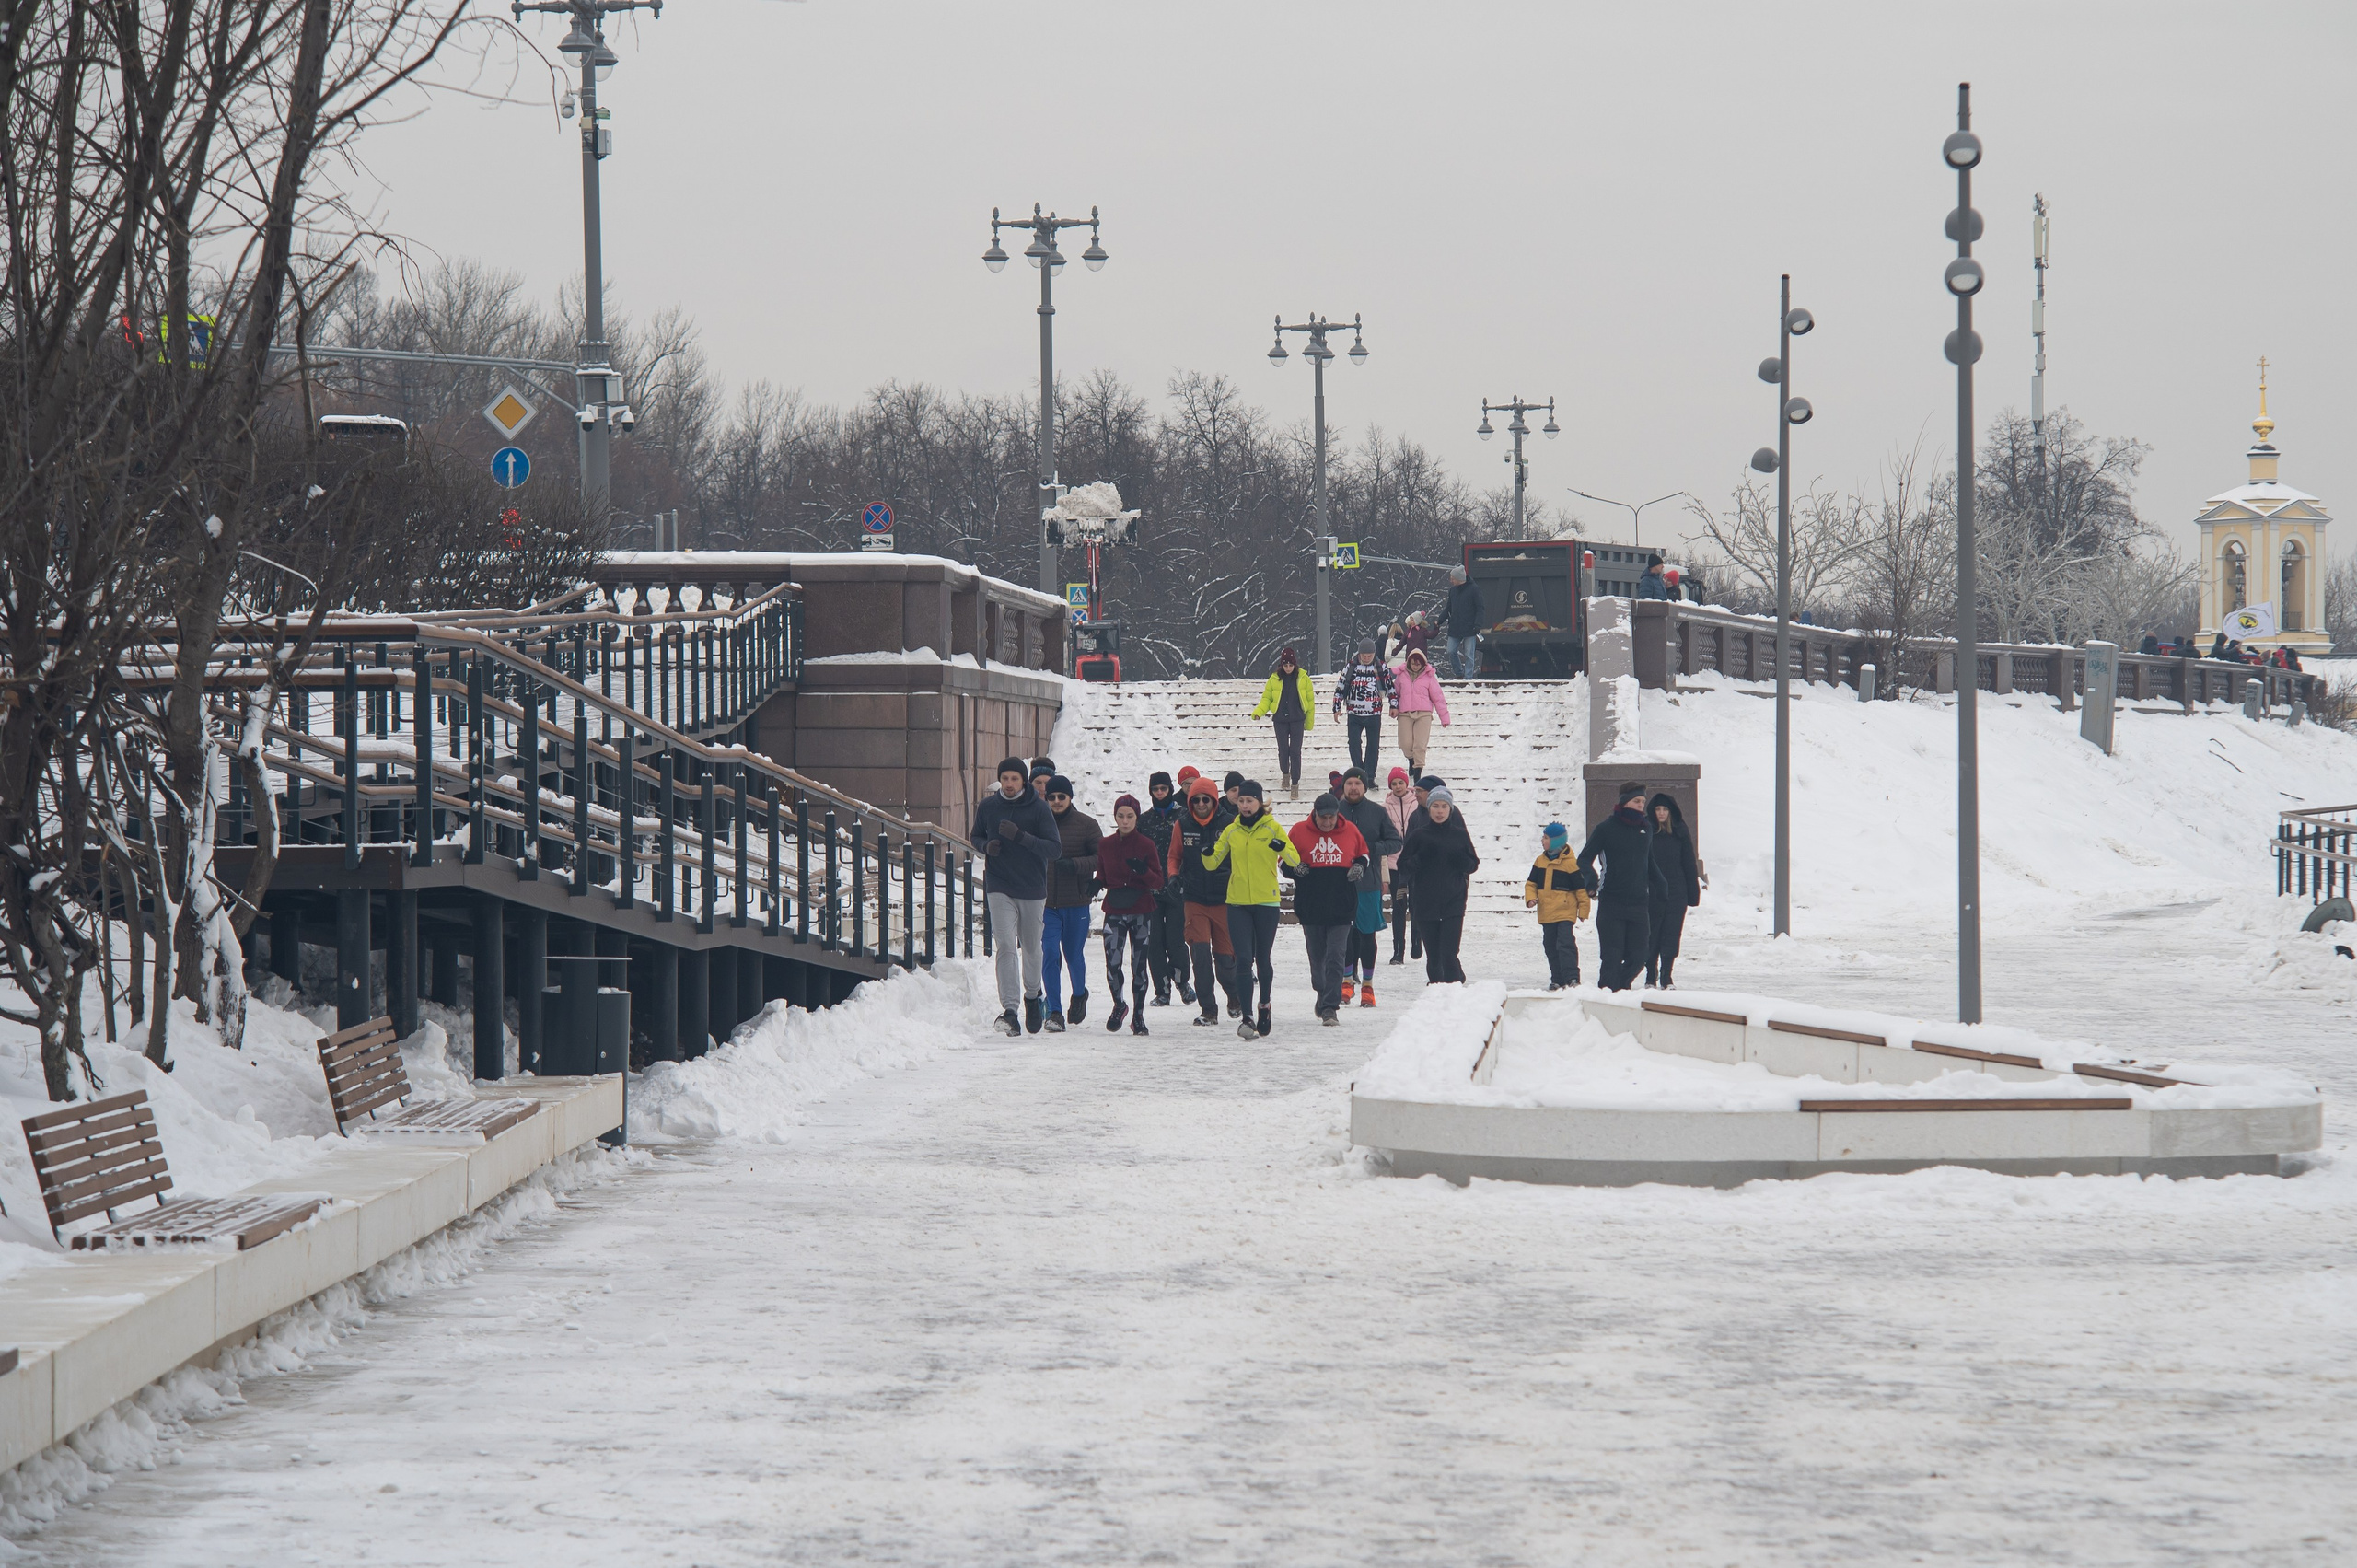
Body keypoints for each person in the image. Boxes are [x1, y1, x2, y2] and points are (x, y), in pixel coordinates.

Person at [970, 756, 1062, 1035]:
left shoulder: (1039, 809)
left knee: (1032, 948)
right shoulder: (988, 807)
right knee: (1006, 946)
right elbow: (975, 837)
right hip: (999, 885)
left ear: (1024, 781)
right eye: (1005, 778)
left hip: (1032, 887)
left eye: (1014, 779)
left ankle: (1032, 997)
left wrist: (1020, 836)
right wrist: (987, 846)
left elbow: (1054, 849)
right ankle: (1010, 1010)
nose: (1009, 784)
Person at [1202, 779, 1300, 1039]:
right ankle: (1247, 1017)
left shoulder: (1272, 828)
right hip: (1237, 903)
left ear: (1259, 803)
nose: (1245, 805)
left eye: (1250, 801)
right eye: (1242, 801)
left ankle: (1264, 1005)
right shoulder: (1232, 830)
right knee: (1243, 960)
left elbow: (1295, 859)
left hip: (1266, 902)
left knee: (1263, 959)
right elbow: (1213, 864)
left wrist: (1282, 848)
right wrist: (1205, 853)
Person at [1577, 781, 1674, 992]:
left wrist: (1662, 884)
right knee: (1612, 957)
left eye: (1643, 801)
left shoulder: (1645, 828)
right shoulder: (1605, 829)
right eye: (1637, 801)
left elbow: (1648, 862)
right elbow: (1584, 859)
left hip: (1639, 904)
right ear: (1625, 802)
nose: (1641, 805)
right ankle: (1608, 995)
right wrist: (1591, 882)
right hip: (1612, 902)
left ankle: (1617, 990)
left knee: (1640, 956)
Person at [1286, 793, 1372, 1025]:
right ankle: (1321, 992)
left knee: (1336, 956)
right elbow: (1284, 861)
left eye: (1331, 818)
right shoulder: (1298, 831)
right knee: (1317, 958)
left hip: (1341, 906)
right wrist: (1296, 869)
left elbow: (1364, 854)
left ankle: (1330, 1008)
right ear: (1314, 814)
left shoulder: (1351, 830)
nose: (1327, 823)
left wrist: (1359, 867)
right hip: (1311, 906)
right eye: (1322, 818)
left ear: (1337, 815)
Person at [1169, 773, 1242, 1025]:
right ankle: (1208, 1009)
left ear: (1214, 800)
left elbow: (1241, 856)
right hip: (1195, 899)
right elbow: (1174, 856)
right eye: (1196, 800)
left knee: (1225, 961)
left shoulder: (1231, 823)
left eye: (1206, 800)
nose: (1201, 804)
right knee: (1200, 958)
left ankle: (1234, 996)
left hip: (1224, 899)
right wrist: (1173, 876)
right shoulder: (1182, 824)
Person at [1095, 795, 1165, 1035]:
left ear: (1136, 817)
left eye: (1130, 816)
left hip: (1141, 908)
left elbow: (1158, 881)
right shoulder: (1105, 844)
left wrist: (1144, 872)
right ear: (1115, 817)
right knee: (1112, 963)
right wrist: (1095, 884)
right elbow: (1103, 875)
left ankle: (1138, 1015)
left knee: (1139, 965)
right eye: (1121, 816)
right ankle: (1119, 1004)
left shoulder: (1146, 845)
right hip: (1114, 908)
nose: (1125, 821)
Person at [1394, 785, 1479, 983]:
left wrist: (1461, 862)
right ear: (1429, 808)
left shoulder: (1459, 835)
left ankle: (1453, 994)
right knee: (1433, 958)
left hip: (1454, 901)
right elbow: (1402, 865)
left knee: (1449, 954)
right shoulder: (1419, 835)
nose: (1439, 811)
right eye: (1435, 806)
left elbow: (1473, 863)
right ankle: (1436, 992)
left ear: (1450, 810)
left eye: (1444, 807)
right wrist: (1418, 860)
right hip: (1425, 902)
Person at [1334, 769, 1403, 1006]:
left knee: (1366, 935)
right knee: (1343, 934)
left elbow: (1396, 841)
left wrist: (1371, 848)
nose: (1353, 788)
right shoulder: (1333, 811)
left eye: (1358, 784)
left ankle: (1367, 985)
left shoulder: (1377, 812)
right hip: (1338, 883)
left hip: (1368, 882)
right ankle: (1346, 982)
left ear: (1364, 787)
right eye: (1349, 783)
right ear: (1343, 786)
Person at [1040, 776, 1103, 1031]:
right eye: (1052, 797)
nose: (1056, 802)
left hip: (1076, 901)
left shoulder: (1086, 825)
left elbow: (1101, 858)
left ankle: (1079, 994)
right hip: (1045, 904)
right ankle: (1055, 1011)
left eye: (1061, 797)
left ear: (1070, 798)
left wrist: (1075, 865)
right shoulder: (1038, 824)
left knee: (1073, 955)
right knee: (1050, 954)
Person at [1138, 772, 1192, 1006]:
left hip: (1176, 887)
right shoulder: (1144, 820)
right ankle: (1162, 989)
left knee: (1176, 938)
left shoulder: (1183, 816)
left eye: (1163, 788)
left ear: (1170, 789)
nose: (1159, 793)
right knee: (1154, 942)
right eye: (1155, 789)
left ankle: (1182, 981)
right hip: (1150, 890)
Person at [1523, 822, 1592, 989]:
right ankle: (1557, 978)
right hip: (1547, 913)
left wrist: (1583, 910)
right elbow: (1531, 884)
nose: (1542, 841)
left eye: (1546, 838)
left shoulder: (1570, 864)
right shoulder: (1540, 861)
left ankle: (1572, 977)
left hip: (1564, 912)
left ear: (1555, 841)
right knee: (1550, 945)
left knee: (1565, 943)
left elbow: (1581, 890)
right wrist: (1531, 898)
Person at [1643, 793, 1701, 988]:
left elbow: (1688, 864)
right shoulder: (1645, 832)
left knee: (1671, 933)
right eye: (1658, 809)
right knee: (1651, 935)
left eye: (1665, 810)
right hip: (1651, 891)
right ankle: (1650, 975)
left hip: (1676, 891)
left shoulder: (1680, 832)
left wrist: (1693, 894)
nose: (1661, 813)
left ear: (1671, 812)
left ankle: (1666, 976)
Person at [1248, 649, 1317, 800]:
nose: (1288, 668)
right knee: (1283, 750)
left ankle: (1295, 783)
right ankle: (1285, 773)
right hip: (1280, 719)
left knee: (1295, 751)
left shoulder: (1303, 678)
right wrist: (1259, 712)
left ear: (1295, 664)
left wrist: (1309, 722)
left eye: (1290, 665)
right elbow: (1267, 698)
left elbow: (1310, 702)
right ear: (1281, 665)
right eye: (1285, 665)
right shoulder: (1274, 679)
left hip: (1297, 718)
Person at [1333, 639, 1395, 778]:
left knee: (1373, 746)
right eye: (1364, 656)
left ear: (1374, 654)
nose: (1367, 659)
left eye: (1369, 656)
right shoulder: (1351, 667)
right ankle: (1359, 770)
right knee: (1354, 743)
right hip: (1354, 713)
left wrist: (1394, 705)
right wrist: (1336, 707)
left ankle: (1370, 774)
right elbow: (1341, 686)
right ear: (1359, 654)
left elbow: (1390, 686)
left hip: (1374, 713)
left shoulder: (1381, 667)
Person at [1391, 647, 1450, 777]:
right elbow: (1394, 694)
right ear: (1409, 663)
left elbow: (1438, 698)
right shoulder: (1401, 676)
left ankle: (1418, 771)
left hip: (1424, 714)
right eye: (1413, 663)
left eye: (1418, 664)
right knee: (1405, 743)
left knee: (1420, 744)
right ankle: (1411, 759)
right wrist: (1393, 707)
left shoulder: (1429, 677)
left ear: (1423, 664)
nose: (1415, 666)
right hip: (1405, 713)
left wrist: (1444, 717)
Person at [1383, 767, 1421, 965]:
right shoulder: (1385, 807)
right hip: (1395, 863)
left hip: (1415, 864)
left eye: (1401, 782)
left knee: (1416, 905)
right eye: (1394, 783)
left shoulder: (1417, 804)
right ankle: (1398, 950)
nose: (1398, 786)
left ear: (1407, 784)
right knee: (1399, 907)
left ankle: (1417, 941)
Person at [1443, 566, 1485, 679]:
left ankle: (1468, 678)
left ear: (1458, 578)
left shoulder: (1474, 589)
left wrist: (1478, 625)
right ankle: (1459, 673)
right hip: (1455, 628)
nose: (1451, 580)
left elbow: (1480, 608)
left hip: (1470, 628)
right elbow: (1448, 608)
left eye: (1452, 578)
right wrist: (1439, 620)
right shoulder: (1453, 591)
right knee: (1451, 651)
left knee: (1469, 655)